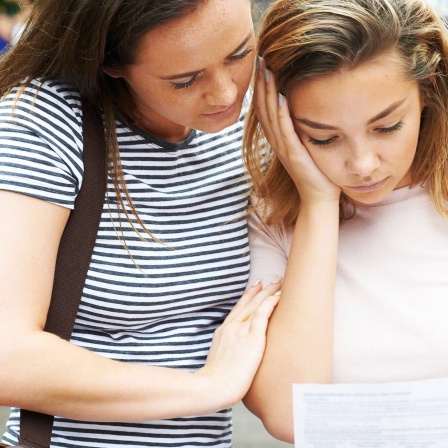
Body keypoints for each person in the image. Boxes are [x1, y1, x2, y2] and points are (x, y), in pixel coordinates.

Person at [0, 0, 282, 446]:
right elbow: (7, 355)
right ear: (110, 62)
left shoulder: (261, 116)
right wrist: (207, 388)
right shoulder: (47, 120)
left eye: (239, 53)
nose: (226, 93)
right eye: (185, 80)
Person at [242, 0, 448, 442]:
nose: (363, 164)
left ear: (428, 89)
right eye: (323, 137)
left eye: (387, 126)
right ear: (282, 123)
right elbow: (289, 414)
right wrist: (318, 205)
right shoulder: (273, 219)